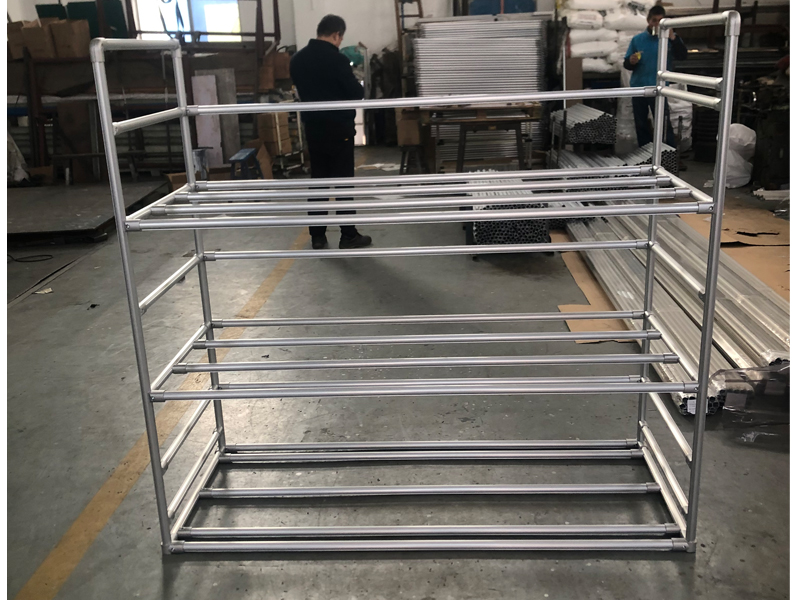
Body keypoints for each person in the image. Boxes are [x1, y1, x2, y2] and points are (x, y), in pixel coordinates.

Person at [290, 14, 372, 250]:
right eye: (340, 38)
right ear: (336, 35)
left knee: (319, 182)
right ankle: (348, 235)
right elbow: (356, 93)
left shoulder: (297, 60)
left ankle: (317, 236)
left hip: (313, 129)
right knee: (343, 182)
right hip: (339, 130)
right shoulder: (337, 60)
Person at [624, 6, 688, 147]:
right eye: (654, 20)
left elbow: (683, 56)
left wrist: (672, 38)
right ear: (648, 21)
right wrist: (631, 61)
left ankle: (667, 153)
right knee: (641, 124)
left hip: (659, 88)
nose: (657, 24)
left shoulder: (670, 39)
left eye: (660, 21)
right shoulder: (638, 40)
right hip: (639, 87)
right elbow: (627, 64)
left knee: (663, 123)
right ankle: (645, 153)